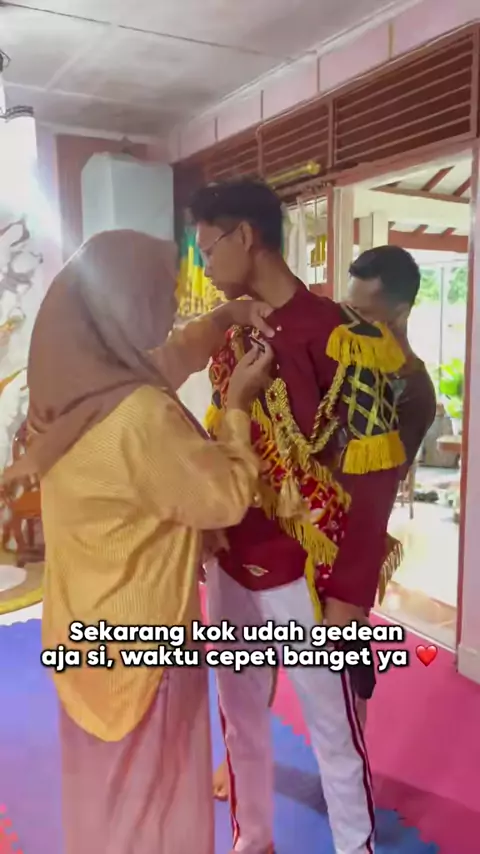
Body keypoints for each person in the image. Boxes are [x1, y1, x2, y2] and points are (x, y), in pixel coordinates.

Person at [12, 229, 276, 854]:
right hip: (143, 648)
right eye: (162, 294)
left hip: (78, 632)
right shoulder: (138, 416)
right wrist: (237, 406)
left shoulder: (70, 390)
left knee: (105, 796)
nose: (173, 308)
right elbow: (224, 496)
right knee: (155, 803)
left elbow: (172, 355)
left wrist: (228, 317)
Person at [188, 177, 410, 854]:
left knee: (333, 734)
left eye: (207, 248)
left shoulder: (349, 337)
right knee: (239, 721)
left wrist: (351, 593)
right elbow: (224, 440)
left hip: (310, 576)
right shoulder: (232, 333)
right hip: (233, 559)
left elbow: (374, 478)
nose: (203, 265)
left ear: (245, 237)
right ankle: (252, 839)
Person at [211, 243, 437, 803]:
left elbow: (378, 490)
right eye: (346, 305)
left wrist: (352, 587)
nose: (348, 319)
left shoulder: (413, 390)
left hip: (350, 537)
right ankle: (240, 754)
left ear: (400, 312)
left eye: (362, 312)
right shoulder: (329, 343)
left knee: (346, 663)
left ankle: (348, 758)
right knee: (257, 646)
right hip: (293, 524)